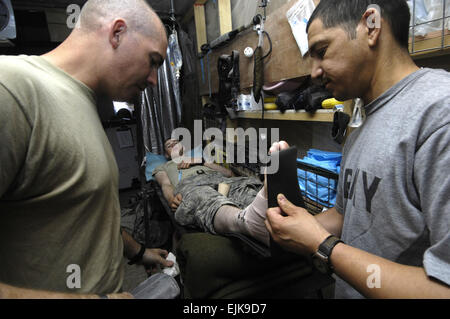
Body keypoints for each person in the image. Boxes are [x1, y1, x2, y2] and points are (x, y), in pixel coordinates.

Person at [264, 0, 450, 298]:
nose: (313, 73)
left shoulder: (440, 113)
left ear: (372, 25)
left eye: (321, 51)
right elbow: (346, 215)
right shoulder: (361, 125)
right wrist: (295, 224)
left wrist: (321, 245)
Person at [0, 0, 175, 299]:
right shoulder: (12, 89)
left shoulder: (81, 99)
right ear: (117, 33)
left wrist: (138, 251)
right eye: (153, 60)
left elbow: (81, 209)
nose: (153, 79)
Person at [153, 139, 270, 246]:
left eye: (176, 142)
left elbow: (229, 174)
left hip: (220, 180)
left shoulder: (200, 160)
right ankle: (245, 222)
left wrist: (200, 161)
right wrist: (170, 199)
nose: (173, 145)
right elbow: (165, 184)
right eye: (169, 145)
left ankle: (269, 216)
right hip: (193, 185)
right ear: (166, 155)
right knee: (203, 196)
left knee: (246, 188)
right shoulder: (163, 166)